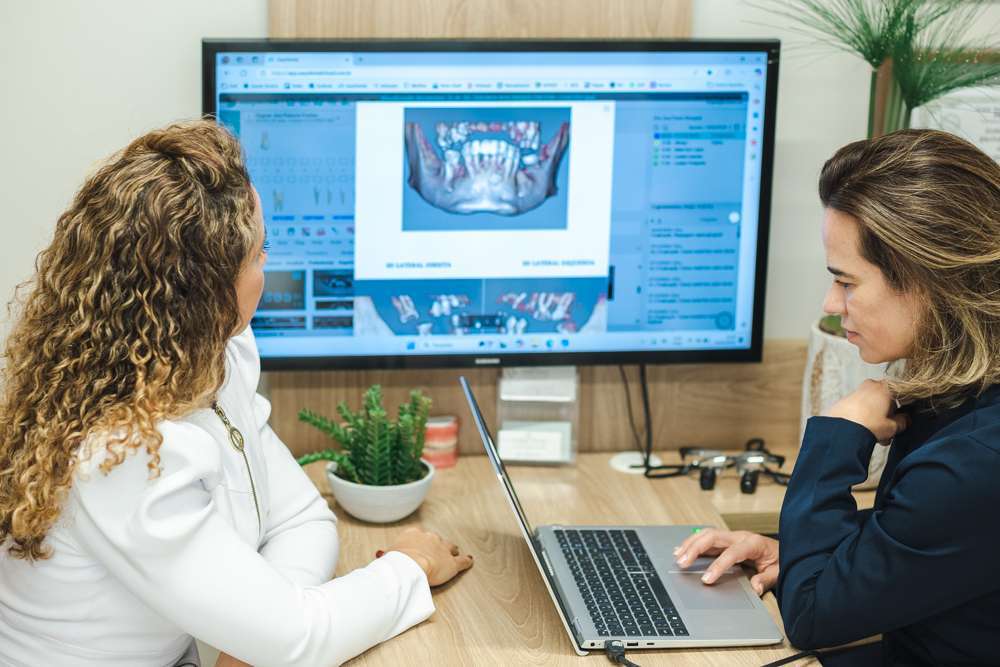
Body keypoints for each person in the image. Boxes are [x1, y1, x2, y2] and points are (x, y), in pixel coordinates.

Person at [0, 120, 473, 667]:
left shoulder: (215, 359)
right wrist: (410, 566)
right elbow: (302, 637)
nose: (267, 264)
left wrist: (256, 638)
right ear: (205, 293)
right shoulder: (122, 450)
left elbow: (302, 519)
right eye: (258, 252)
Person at [673, 129, 1000, 666]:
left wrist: (838, 431)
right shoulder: (965, 398)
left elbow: (812, 618)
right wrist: (797, 554)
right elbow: (933, 540)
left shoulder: (976, 459)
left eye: (846, 282)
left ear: (928, 282)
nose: (831, 303)